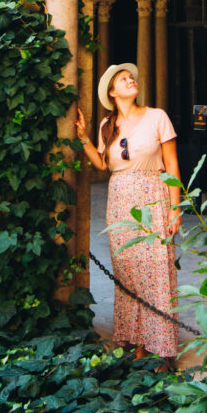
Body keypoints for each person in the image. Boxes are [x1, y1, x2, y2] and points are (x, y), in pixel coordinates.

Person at [75, 63, 182, 360]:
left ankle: (161, 348)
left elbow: (172, 164)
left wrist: (176, 208)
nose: (130, 79)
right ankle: (135, 341)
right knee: (127, 272)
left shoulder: (157, 117)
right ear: (112, 92)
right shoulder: (106, 127)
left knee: (156, 270)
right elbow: (102, 164)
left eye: (131, 76)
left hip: (152, 195)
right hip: (120, 201)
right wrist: (83, 136)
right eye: (123, 79)